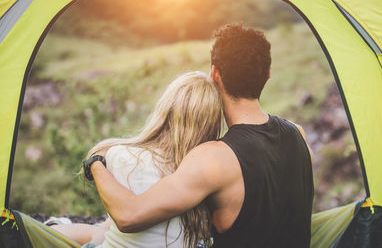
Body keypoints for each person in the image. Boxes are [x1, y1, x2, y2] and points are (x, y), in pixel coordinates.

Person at [89, 23, 314, 248]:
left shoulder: (215, 159)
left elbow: (129, 216)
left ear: (214, 74)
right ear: (267, 76)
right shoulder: (298, 134)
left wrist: (96, 163)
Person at [53, 71, 223, 248]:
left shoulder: (119, 155)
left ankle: (49, 227)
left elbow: (124, 216)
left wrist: (95, 162)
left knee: (97, 232)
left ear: (164, 110)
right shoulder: (209, 176)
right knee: (104, 228)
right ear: (212, 124)